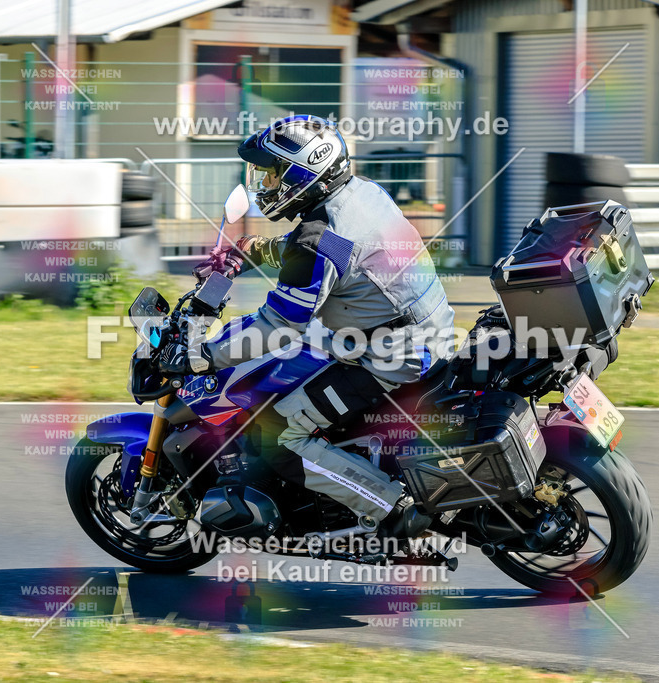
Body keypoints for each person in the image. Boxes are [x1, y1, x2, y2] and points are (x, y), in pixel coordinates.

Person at [160, 114, 455, 538]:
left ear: (302, 174)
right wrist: (255, 251)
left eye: (272, 173)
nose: (265, 185)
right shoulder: (362, 193)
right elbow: (333, 248)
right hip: (422, 330)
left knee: (278, 432)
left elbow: (278, 325)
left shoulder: (317, 237)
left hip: (390, 357)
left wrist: (203, 357)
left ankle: (390, 508)